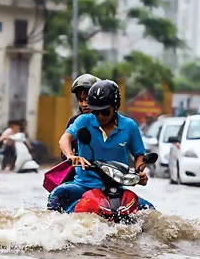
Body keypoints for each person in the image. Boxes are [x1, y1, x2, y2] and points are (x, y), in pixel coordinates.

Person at [48, 79, 153, 212]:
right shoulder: (83, 121)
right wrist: (71, 155)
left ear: (115, 106)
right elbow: (65, 139)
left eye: (105, 112)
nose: (100, 116)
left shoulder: (129, 126)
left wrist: (139, 172)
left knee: (151, 212)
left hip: (117, 188)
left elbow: (139, 155)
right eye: (96, 112)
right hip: (83, 185)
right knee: (58, 194)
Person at [61, 73, 101, 161]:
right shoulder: (75, 121)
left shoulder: (113, 121)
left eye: (87, 100)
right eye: (80, 100)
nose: (84, 104)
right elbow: (65, 144)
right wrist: (72, 156)